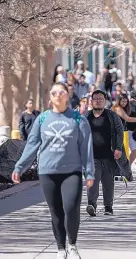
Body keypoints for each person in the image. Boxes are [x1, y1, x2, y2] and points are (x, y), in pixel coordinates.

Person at [12, 82, 95, 259]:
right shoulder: (42, 119)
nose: (58, 95)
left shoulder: (78, 119)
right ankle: (60, 249)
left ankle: (72, 245)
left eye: (61, 92)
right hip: (47, 172)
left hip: (72, 172)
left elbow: (86, 147)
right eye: (54, 92)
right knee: (56, 211)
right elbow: (32, 145)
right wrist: (20, 167)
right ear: (50, 97)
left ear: (67, 95)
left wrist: (89, 172)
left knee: (71, 208)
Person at [85, 90, 124, 216]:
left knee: (108, 182)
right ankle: (92, 205)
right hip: (92, 157)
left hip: (109, 156)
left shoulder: (112, 116)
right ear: (91, 101)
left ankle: (108, 206)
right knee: (93, 181)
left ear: (105, 101)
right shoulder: (86, 117)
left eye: (101, 99)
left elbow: (119, 131)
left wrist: (118, 148)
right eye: (95, 99)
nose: (98, 101)